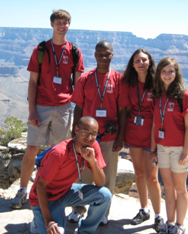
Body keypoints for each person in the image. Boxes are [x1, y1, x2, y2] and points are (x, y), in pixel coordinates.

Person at [10, 10, 84, 209]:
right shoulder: (40, 50)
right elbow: (32, 82)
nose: (62, 25)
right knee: (32, 148)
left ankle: (52, 192)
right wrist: (32, 110)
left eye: (65, 22)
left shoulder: (75, 52)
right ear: (52, 24)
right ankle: (23, 191)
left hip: (64, 108)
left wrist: (78, 113)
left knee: (58, 151)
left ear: (69, 25)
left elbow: (78, 85)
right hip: (41, 106)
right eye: (59, 22)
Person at [69, 40, 129, 225]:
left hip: (110, 138)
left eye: (107, 54)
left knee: (108, 176)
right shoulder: (85, 79)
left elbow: (123, 111)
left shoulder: (118, 80)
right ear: (95, 55)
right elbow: (78, 106)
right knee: (83, 174)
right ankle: (78, 209)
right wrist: (75, 132)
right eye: (100, 54)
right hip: (87, 137)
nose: (104, 57)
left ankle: (103, 212)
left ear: (112, 55)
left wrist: (121, 137)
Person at [29, 116, 111, 234]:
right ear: (76, 130)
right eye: (85, 132)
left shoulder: (93, 146)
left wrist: (93, 162)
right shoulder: (59, 153)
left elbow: (101, 183)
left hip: (65, 191)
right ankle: (38, 222)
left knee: (105, 195)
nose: (89, 137)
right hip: (47, 198)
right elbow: (40, 186)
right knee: (57, 231)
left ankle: (85, 231)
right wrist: (48, 220)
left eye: (94, 133)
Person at [151, 57, 188, 234]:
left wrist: (185, 152)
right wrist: (153, 150)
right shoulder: (158, 95)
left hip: (179, 148)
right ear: (159, 74)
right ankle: (169, 222)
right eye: (164, 71)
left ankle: (180, 225)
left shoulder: (185, 96)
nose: (167, 75)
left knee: (180, 187)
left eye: (171, 71)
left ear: (176, 73)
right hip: (162, 148)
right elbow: (155, 125)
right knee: (168, 186)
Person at [123, 49, 164, 231]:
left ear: (150, 62)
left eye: (144, 60)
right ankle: (143, 209)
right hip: (133, 133)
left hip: (152, 136)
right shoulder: (128, 83)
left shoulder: (156, 83)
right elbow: (125, 108)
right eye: (137, 60)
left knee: (152, 178)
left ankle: (158, 215)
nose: (141, 62)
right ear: (132, 64)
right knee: (139, 173)